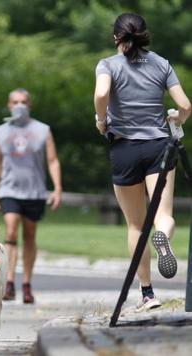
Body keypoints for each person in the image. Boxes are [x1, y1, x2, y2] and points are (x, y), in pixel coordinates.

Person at [93, 13, 191, 311]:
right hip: (159, 146)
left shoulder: (108, 64)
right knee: (163, 214)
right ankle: (162, 236)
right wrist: (178, 117)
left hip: (124, 149)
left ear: (116, 37)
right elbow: (185, 105)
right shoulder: (161, 64)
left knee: (136, 225)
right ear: (144, 34)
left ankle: (148, 293)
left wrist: (101, 119)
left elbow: (101, 93)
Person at [0, 88, 62, 304]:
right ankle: (9, 281)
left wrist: (57, 188)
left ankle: (26, 283)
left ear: (29, 105)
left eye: (23, 102)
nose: (19, 105)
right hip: (9, 189)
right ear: (8, 105)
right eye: (15, 102)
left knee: (29, 236)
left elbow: (52, 160)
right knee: (10, 231)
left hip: (35, 191)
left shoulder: (42, 130)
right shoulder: (0, 132)